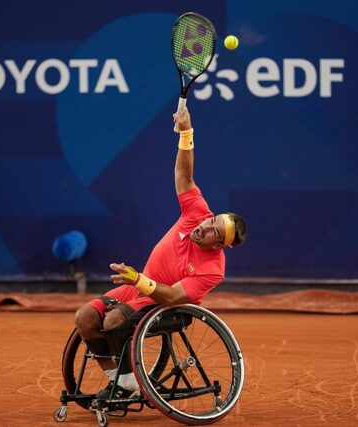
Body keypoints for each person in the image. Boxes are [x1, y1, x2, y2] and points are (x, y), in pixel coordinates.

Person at [74, 107, 247, 399]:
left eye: (214, 232)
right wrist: (187, 132)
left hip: (167, 307)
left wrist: (137, 280)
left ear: (218, 246)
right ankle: (123, 382)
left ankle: (126, 385)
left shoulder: (213, 269)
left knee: (114, 322)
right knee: (85, 318)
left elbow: (173, 297)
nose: (206, 226)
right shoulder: (196, 213)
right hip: (137, 289)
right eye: (211, 221)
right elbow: (183, 173)